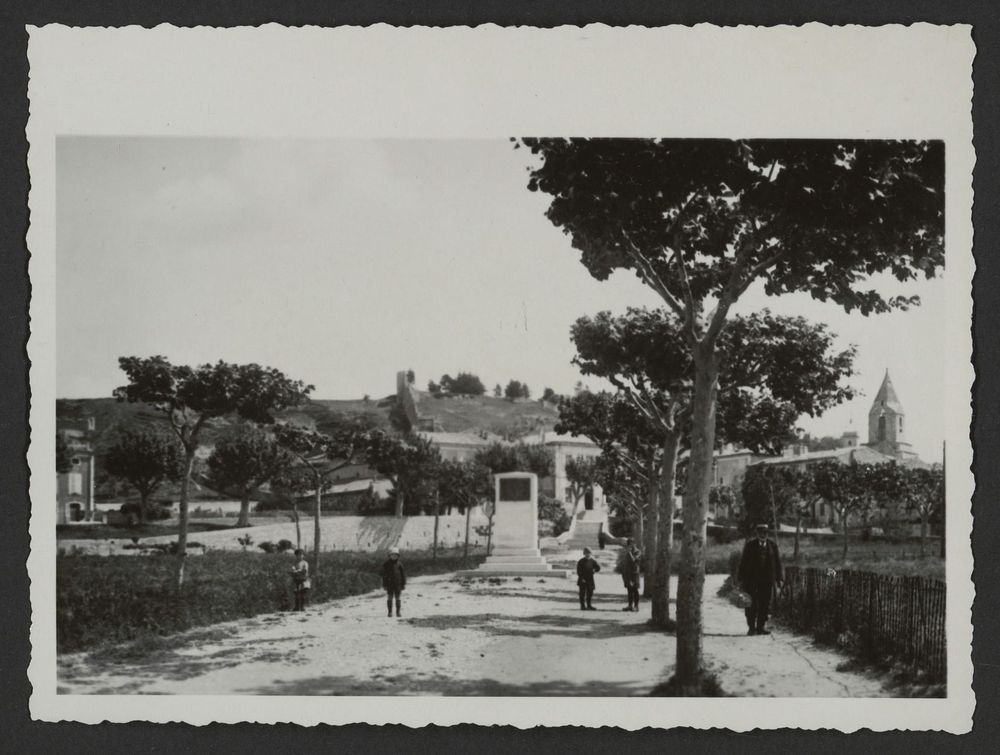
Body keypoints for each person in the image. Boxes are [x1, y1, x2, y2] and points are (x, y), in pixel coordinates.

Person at [738, 522, 783, 635]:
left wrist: (779, 579)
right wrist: (740, 579)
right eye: (760, 532)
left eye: (765, 533)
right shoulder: (750, 545)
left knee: (765, 604)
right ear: (756, 533)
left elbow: (777, 563)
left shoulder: (772, 546)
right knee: (751, 604)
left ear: (767, 533)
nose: (763, 535)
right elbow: (743, 563)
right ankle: (751, 628)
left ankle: (761, 627)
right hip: (752, 580)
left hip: (767, 581)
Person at [616, 539, 642, 612]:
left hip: (634, 573)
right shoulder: (625, 551)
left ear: (635, 544)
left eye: (632, 543)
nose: (631, 545)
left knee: (635, 589)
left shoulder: (637, 552)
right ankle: (630, 605)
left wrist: (629, 553)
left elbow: (634, 561)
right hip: (627, 573)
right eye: (629, 543)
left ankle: (636, 606)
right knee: (629, 589)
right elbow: (622, 561)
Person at [381, 546, 406, 618]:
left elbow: (403, 575)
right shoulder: (386, 564)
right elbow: (384, 575)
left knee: (398, 598)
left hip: (398, 584)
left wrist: (403, 584)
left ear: (398, 556)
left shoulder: (400, 564)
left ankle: (398, 612)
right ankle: (390, 612)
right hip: (389, 584)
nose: (394, 556)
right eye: (392, 555)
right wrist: (384, 584)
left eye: (395, 555)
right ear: (389, 555)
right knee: (390, 597)